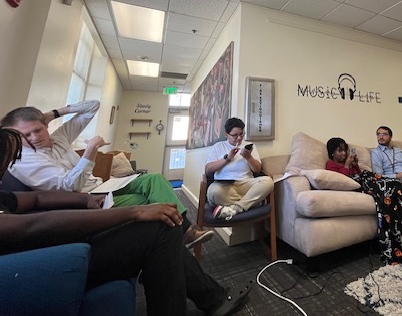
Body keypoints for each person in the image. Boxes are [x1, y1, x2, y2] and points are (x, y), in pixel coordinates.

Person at [0, 126, 251, 316]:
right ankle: (211, 295)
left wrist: (83, 201)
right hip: (41, 260)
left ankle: (211, 294)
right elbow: (31, 225)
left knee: (159, 208)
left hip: (82, 214)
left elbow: (34, 200)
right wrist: (133, 212)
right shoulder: (33, 167)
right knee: (159, 228)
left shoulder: (8, 191)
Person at [1, 100, 214, 249]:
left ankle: (185, 231)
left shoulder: (59, 138)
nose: (35, 137)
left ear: (45, 126)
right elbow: (68, 187)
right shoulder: (23, 160)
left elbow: (92, 106)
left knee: (155, 179)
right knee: (147, 200)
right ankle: (181, 234)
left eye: (38, 129)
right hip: (85, 200)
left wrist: (53, 114)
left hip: (103, 185)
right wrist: (90, 153)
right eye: (25, 134)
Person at [325, 137, 402, 265]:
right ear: (332, 152)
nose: (344, 154)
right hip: (360, 183)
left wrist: (354, 164)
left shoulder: (348, 162)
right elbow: (341, 179)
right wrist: (347, 165)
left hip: (366, 177)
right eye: (340, 151)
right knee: (390, 190)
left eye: (345, 150)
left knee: (400, 187)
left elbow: (359, 173)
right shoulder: (330, 164)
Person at [205, 118, 274, 220]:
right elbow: (208, 170)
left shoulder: (249, 146)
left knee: (268, 181)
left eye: (241, 134)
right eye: (235, 135)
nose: (239, 138)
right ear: (226, 134)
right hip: (224, 186)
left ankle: (236, 208)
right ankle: (255, 202)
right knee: (213, 193)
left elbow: (257, 170)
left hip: (246, 184)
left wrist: (248, 157)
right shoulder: (218, 146)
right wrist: (228, 158)